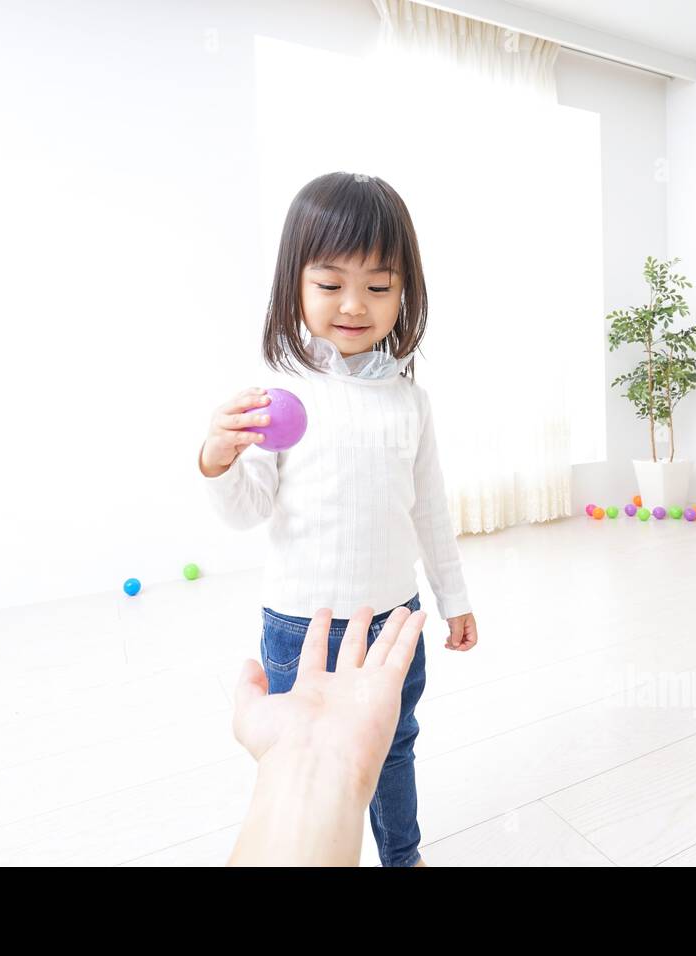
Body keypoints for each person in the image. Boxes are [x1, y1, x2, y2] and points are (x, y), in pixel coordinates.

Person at [198, 171, 479, 866]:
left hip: (396, 621)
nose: (354, 305)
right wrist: (217, 458)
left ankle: (402, 855)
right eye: (330, 284)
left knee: (395, 744)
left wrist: (456, 601)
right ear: (294, 283)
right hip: (303, 626)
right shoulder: (279, 392)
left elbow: (431, 510)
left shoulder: (409, 401)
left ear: (404, 291)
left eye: (379, 287)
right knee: (309, 756)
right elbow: (247, 511)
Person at [228, 604, 426, 866]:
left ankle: (404, 858)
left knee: (398, 747)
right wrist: (312, 765)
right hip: (297, 613)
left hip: (396, 603)